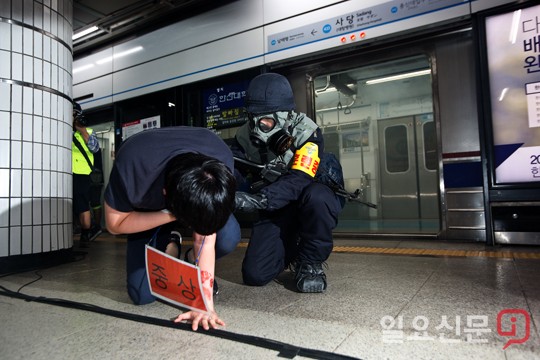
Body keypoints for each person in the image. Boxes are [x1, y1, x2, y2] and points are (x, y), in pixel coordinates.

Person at [103, 126, 240, 331]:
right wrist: (171, 214)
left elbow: (205, 240)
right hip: (150, 213)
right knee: (142, 294)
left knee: (228, 236)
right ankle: (171, 242)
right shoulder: (133, 165)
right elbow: (115, 224)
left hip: (183, 203)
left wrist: (204, 304)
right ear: (164, 193)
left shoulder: (219, 161)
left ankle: (190, 259)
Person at [232, 73, 344, 293]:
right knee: (255, 275)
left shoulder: (308, 132)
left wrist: (260, 200)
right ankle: (293, 248)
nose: (257, 127)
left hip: (303, 196)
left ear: (286, 116)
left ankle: (311, 262)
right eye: (253, 117)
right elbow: (234, 169)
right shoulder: (244, 136)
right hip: (276, 207)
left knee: (318, 197)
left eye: (266, 121)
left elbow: (300, 177)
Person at [72, 102, 102, 247]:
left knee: (83, 205)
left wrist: (82, 130)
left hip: (82, 174)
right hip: (66, 174)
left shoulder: (88, 131)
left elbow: (95, 148)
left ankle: (86, 234)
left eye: (74, 114)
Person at [89, 147, 104, 234]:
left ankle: (96, 227)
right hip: (97, 178)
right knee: (96, 203)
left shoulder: (91, 145)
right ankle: (96, 227)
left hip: (93, 177)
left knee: (94, 203)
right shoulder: (96, 147)